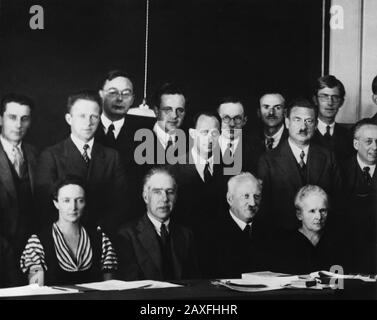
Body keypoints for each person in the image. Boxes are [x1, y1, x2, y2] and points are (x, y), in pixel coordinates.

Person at [35, 90, 127, 236]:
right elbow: (45, 204)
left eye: (94, 117)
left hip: (102, 236)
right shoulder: (51, 155)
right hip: (62, 236)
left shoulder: (112, 157)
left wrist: (100, 231)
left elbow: (120, 202)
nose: (88, 123)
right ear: (69, 119)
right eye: (82, 116)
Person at [257, 98, 342, 231]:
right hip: (283, 238)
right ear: (287, 122)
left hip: (322, 238)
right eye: (297, 120)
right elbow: (264, 209)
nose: (303, 127)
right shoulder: (268, 160)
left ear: (315, 125)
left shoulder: (328, 157)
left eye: (309, 121)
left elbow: (337, 201)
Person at [20, 178, 118, 286]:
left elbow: (110, 291)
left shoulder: (101, 240)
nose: (73, 207)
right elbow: (36, 293)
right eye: (66, 200)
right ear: (56, 203)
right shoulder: (37, 243)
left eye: (79, 200)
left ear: (85, 202)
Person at [116, 168, 199, 281]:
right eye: (157, 192)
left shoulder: (186, 235)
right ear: (146, 197)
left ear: (176, 196)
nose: (164, 199)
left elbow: (194, 282)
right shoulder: (127, 235)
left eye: (170, 192)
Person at [169, 112, 224, 275]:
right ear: (193, 134)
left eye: (214, 133)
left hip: (219, 254)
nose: (209, 138)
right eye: (204, 132)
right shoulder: (173, 170)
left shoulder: (229, 171)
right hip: (183, 254)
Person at [212, 172, 274, 278]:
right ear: (230, 199)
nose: (252, 203)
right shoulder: (212, 233)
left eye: (257, 196)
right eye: (246, 196)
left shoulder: (270, 232)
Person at [0, 93, 38, 260]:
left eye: (24, 118)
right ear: (0, 119)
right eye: (12, 117)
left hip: (31, 249)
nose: (18, 125)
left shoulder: (36, 154)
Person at [276, 185, 347, 275]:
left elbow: (340, 282)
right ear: (299, 214)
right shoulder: (285, 245)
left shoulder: (337, 243)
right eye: (312, 211)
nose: (319, 217)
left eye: (323, 210)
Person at [341, 119, 377, 273]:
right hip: (348, 247)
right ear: (356, 144)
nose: (375, 147)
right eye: (369, 141)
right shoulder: (340, 170)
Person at [312, 75, 353, 162]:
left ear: (341, 102)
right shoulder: (307, 132)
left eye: (335, 97)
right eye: (324, 97)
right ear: (315, 100)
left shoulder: (348, 136)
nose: (330, 103)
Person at [217, 97, 262, 175]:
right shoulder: (207, 146)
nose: (232, 124)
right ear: (219, 120)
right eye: (226, 118)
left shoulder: (256, 148)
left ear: (244, 121)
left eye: (237, 118)